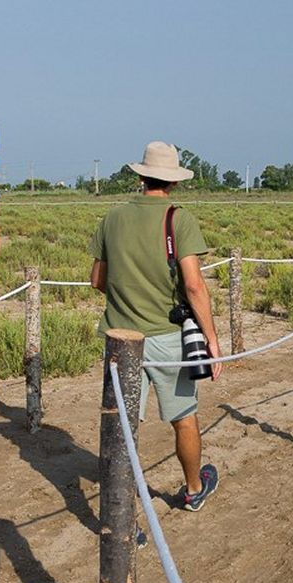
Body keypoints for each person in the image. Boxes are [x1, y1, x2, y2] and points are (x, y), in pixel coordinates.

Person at [88, 141, 222, 512]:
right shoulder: (178, 219)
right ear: (173, 181)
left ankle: (122, 519)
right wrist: (211, 340)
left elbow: (97, 279)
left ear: (141, 176)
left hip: (119, 338)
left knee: (123, 428)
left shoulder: (112, 217)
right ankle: (194, 489)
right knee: (182, 417)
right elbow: (194, 285)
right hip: (166, 338)